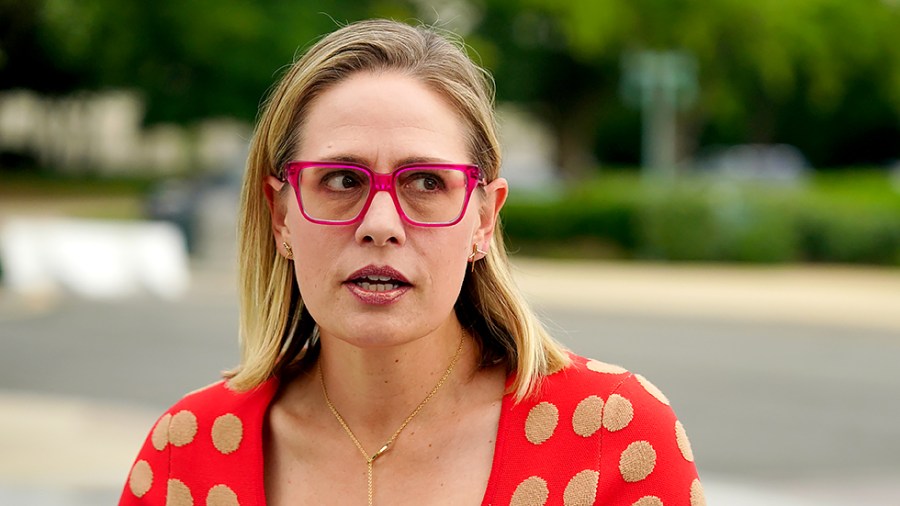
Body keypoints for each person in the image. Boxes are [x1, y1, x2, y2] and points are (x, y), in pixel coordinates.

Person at [119, 19, 704, 506]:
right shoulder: (185, 454)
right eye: (341, 179)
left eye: (426, 181)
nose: (379, 224)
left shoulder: (613, 436)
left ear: (482, 220)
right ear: (280, 215)